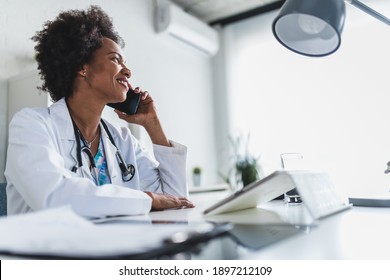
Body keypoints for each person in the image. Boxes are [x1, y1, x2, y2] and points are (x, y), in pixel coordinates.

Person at [4, 5, 194, 217]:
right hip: (46, 248)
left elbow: (176, 201)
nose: (128, 71)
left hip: (112, 246)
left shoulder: (121, 140)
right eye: (115, 59)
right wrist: (147, 199)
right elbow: (55, 197)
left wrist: (153, 125)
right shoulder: (32, 124)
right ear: (82, 67)